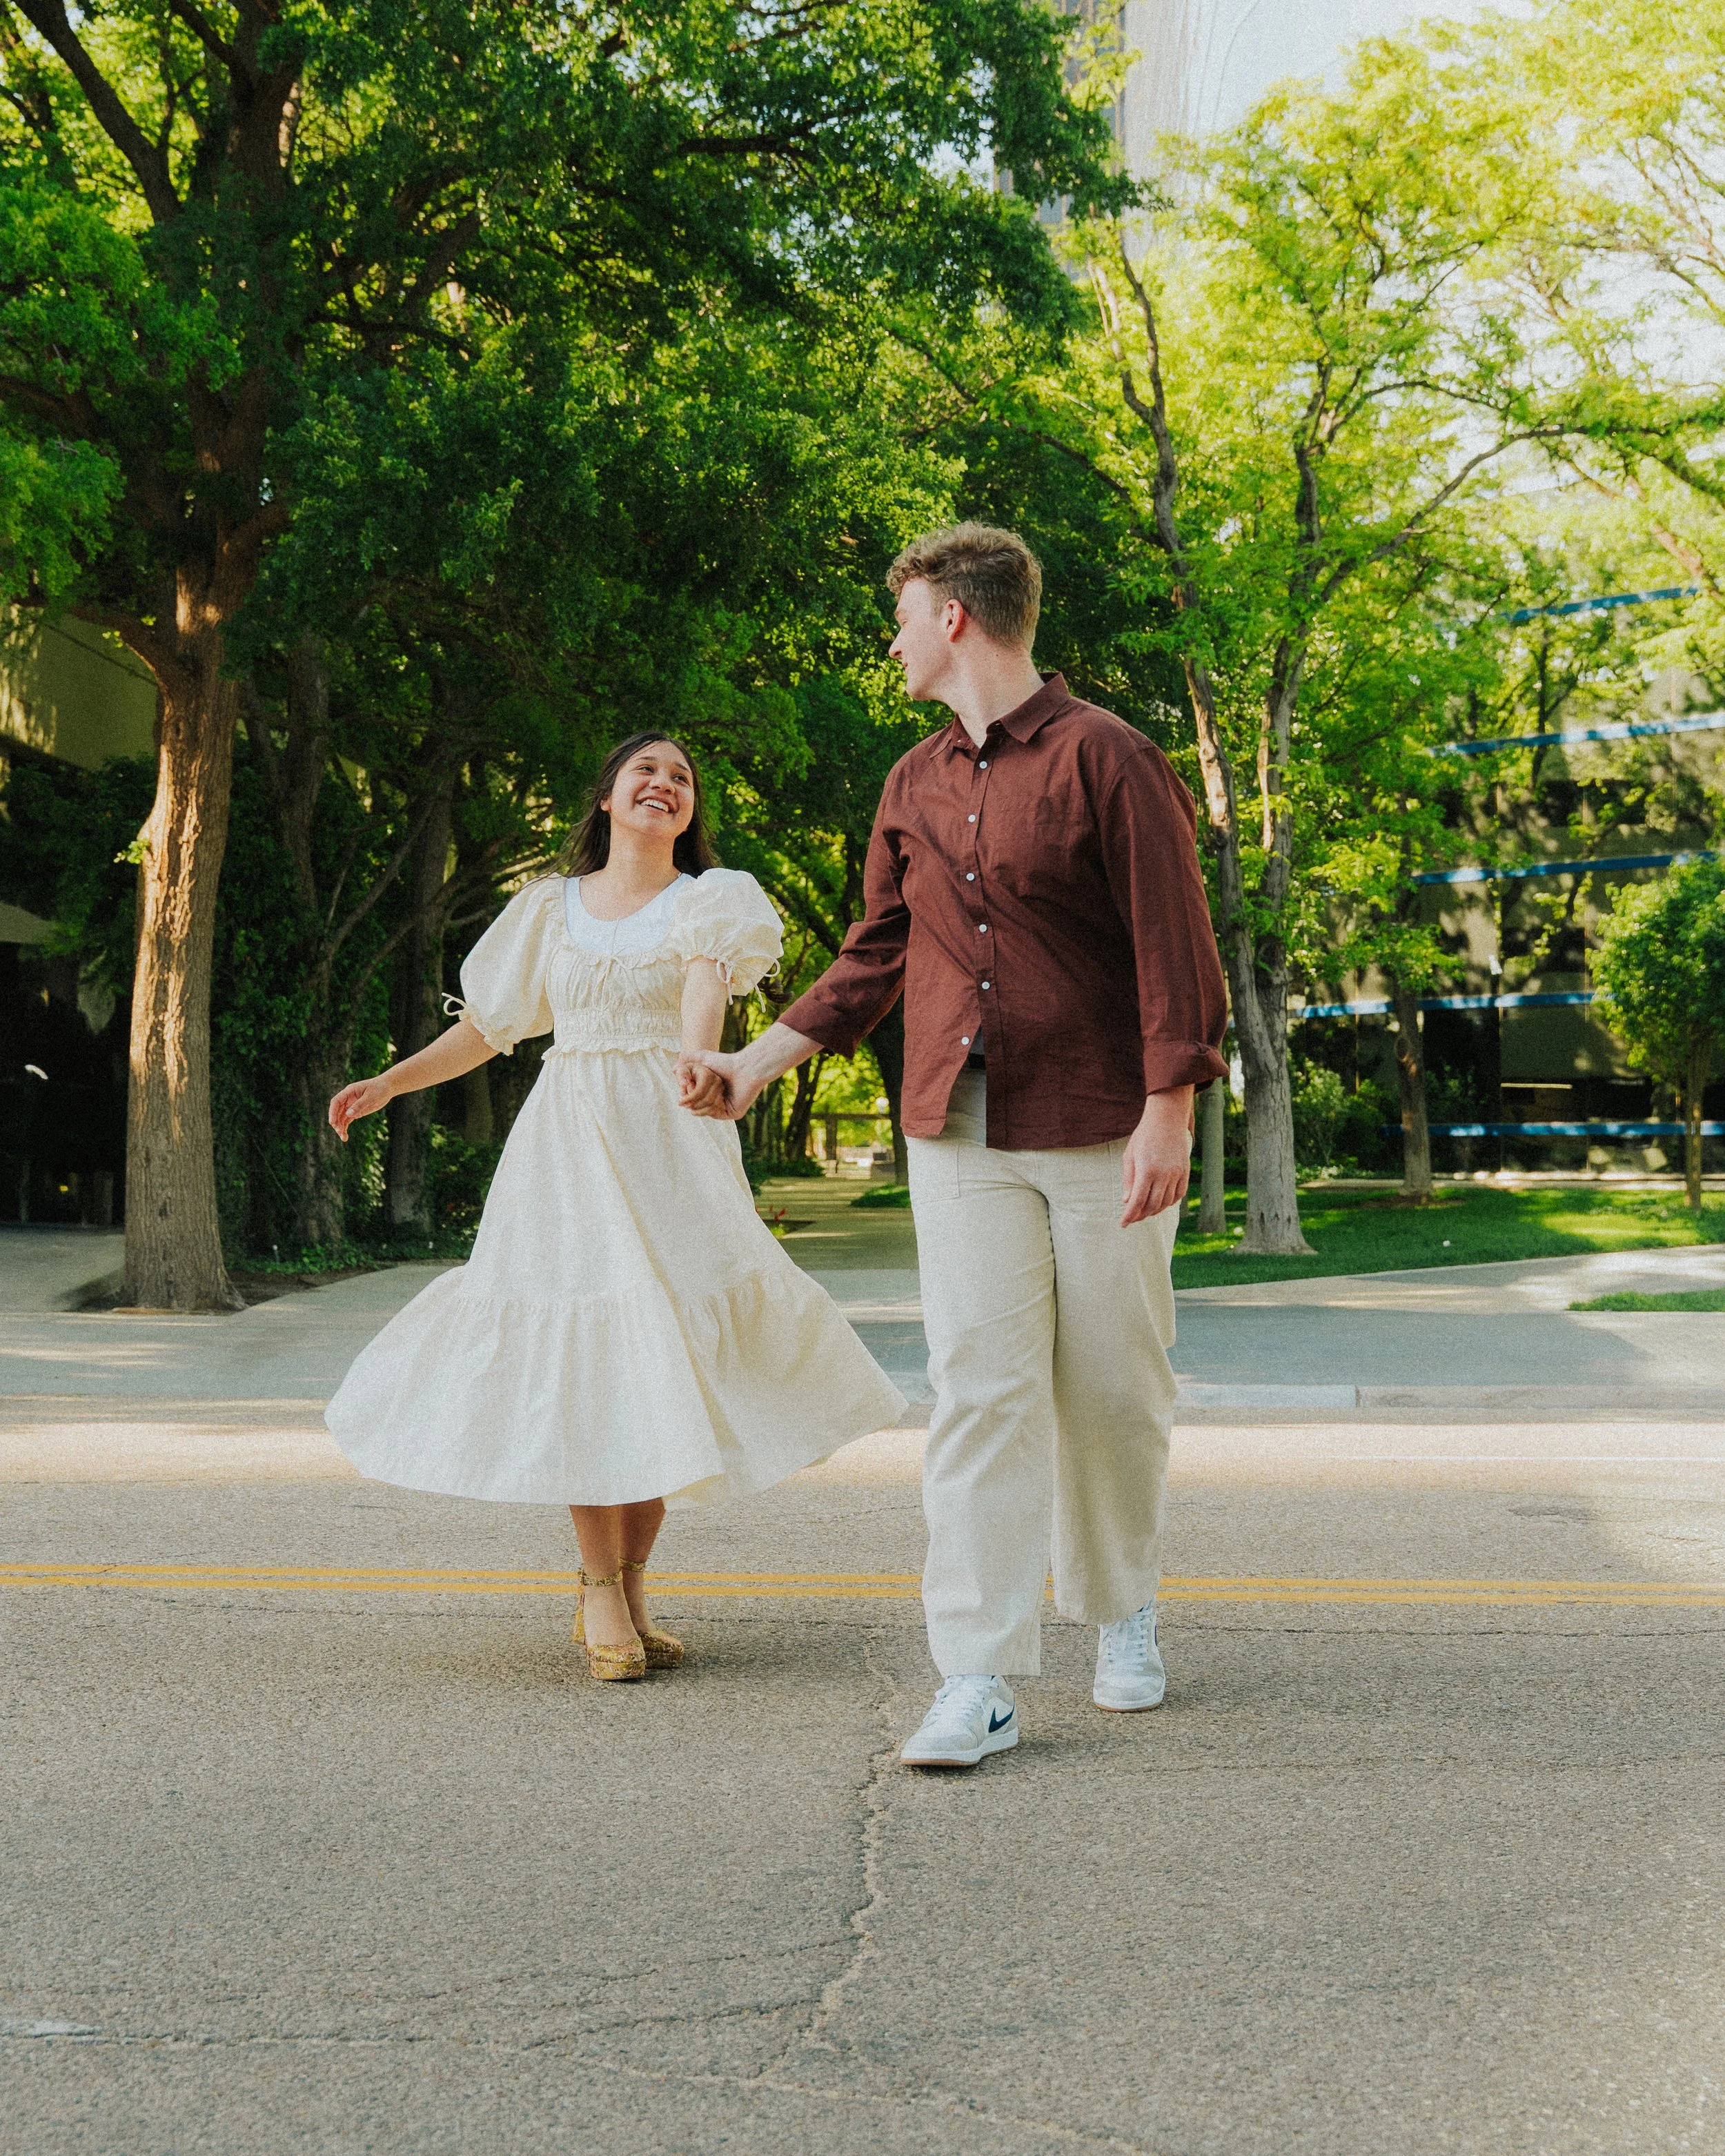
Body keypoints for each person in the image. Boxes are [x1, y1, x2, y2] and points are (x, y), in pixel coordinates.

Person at [682, 525, 1227, 1766]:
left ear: (958, 622)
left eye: (904, 615)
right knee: (979, 1388)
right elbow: (879, 951)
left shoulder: (1110, 759)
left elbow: (1171, 944)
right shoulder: (912, 783)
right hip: (960, 1127)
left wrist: (1170, 1111)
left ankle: (1120, 1609)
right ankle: (975, 1672)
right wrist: (755, 1064)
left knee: (1112, 1387)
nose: (894, 640)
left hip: (1101, 1123)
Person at [324, 731, 905, 1681]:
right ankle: (597, 1589)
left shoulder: (711, 902)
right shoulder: (548, 911)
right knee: (593, 1356)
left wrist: (695, 1061)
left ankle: (632, 1583)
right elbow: (487, 1028)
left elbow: (705, 991)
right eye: (646, 771)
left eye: (681, 778)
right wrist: (391, 1085)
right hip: (569, 1150)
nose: (664, 785)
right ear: (605, 798)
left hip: (672, 1142)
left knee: (663, 1358)